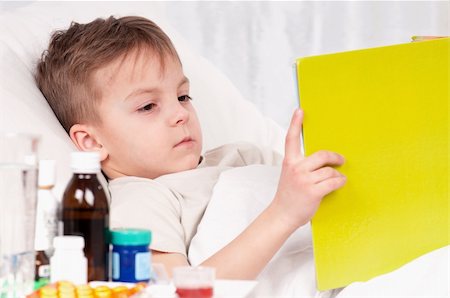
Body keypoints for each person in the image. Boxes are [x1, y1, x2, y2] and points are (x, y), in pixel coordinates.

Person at [35, 16, 346, 279]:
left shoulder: (244, 155)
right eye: (147, 106)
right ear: (92, 142)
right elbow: (178, 293)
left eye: (183, 96)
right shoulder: (140, 199)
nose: (180, 113)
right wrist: (283, 213)